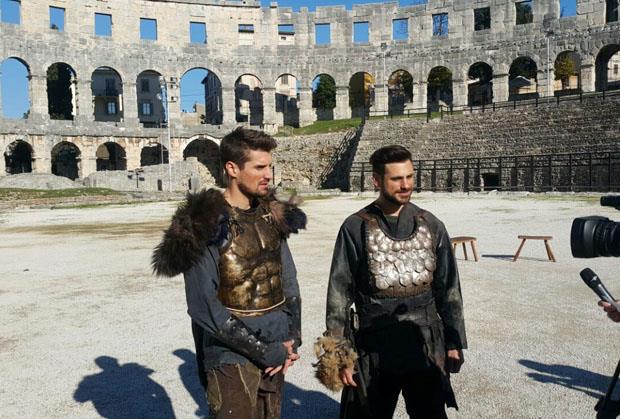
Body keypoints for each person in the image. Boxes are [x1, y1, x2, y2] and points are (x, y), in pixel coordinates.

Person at [152, 127, 306, 419]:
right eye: (259, 167)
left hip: (277, 342)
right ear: (232, 169)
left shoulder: (271, 214)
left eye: (269, 166)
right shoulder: (204, 222)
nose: (269, 175)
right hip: (230, 354)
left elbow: (288, 280)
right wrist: (263, 351)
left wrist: (293, 336)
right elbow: (203, 306)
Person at [315, 145, 467, 419]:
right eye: (397, 179)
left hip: (424, 344)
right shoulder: (355, 227)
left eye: (409, 176)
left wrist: (454, 340)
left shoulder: (432, 224)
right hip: (373, 347)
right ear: (376, 180)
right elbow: (338, 296)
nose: (406, 185)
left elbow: (449, 289)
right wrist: (340, 354)